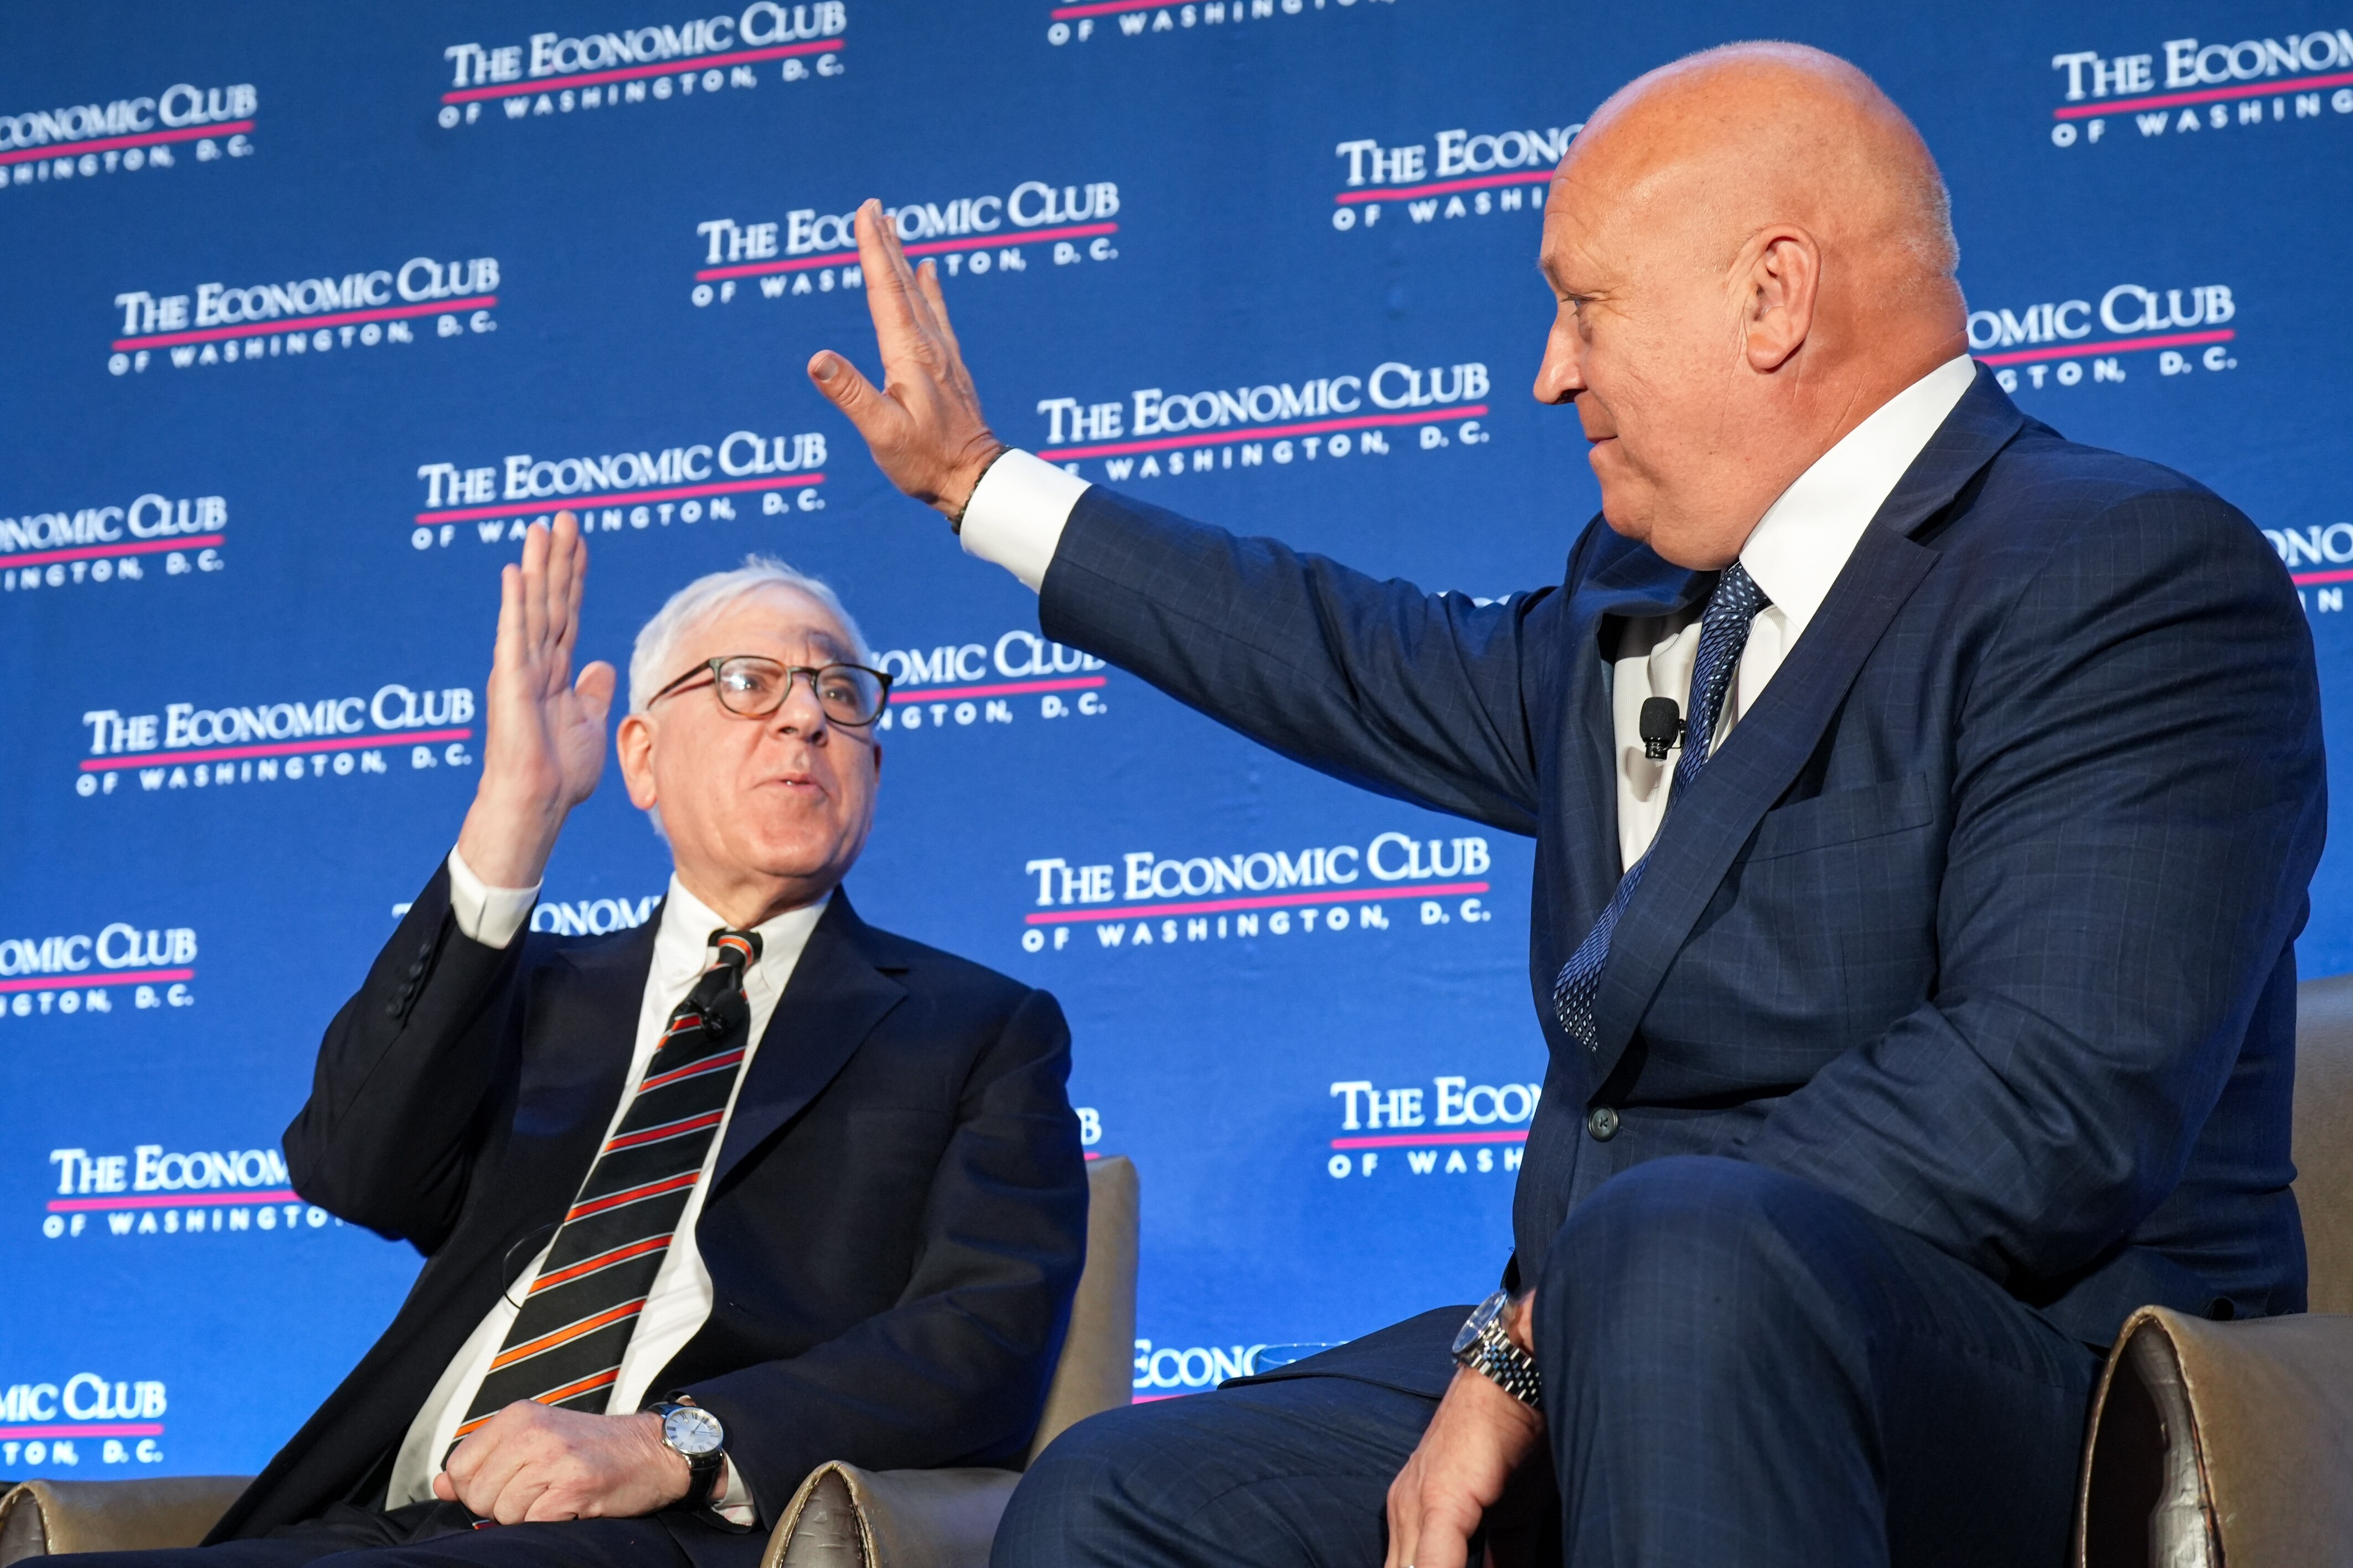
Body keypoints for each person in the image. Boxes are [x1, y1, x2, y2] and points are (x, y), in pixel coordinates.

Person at [807, 40, 2325, 1568]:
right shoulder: (1642, 591)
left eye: (1584, 306)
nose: (1549, 370)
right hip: (1604, 1329)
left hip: (2018, 1375)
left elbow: (2041, 1098)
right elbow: (1348, 659)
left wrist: (1538, 1335)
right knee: (1120, 1500)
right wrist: (980, 483)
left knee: (1677, 1257)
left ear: (1771, 297)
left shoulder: (2120, 573)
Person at [55, 523, 1088, 1568]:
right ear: (641, 755)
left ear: (871, 758)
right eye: (748, 682)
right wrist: (515, 813)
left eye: (842, 692)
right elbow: (351, 1169)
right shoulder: (531, 993)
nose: (805, 717)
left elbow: (984, 1334)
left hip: (671, 1528)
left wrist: (673, 1443)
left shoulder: (976, 1027)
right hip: (401, 1514)